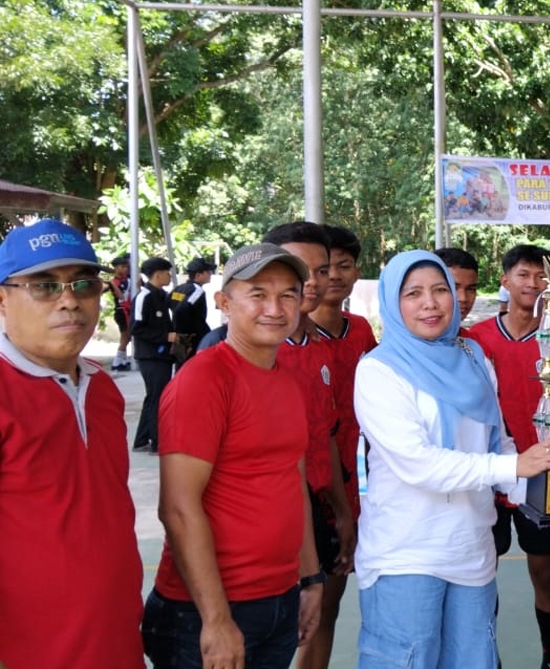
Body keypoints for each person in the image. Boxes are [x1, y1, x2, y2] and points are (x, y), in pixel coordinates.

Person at [353, 250, 550, 669]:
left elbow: (497, 444)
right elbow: (418, 464)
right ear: (392, 304)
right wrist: (514, 467)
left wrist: (546, 498)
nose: (430, 303)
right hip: (406, 554)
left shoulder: (473, 357)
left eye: (440, 290)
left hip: (471, 549)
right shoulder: (379, 370)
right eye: (413, 293)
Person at [142, 243, 324, 668]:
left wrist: (310, 577)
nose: (274, 308)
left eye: (287, 295)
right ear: (224, 303)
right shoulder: (204, 380)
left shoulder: (288, 380)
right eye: (258, 294)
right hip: (205, 610)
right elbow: (178, 508)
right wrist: (217, 619)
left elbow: (292, 482)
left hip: (278, 599)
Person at [0, 219, 144, 669]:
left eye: (83, 284)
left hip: (115, 641)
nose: (69, 300)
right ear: (2, 299)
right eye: (44, 286)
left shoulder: (103, 387)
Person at [470, 243, 550, 669]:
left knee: (544, 574)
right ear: (505, 280)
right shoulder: (476, 341)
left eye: (540, 277)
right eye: (523, 275)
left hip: (541, 476)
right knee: (481, 576)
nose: (532, 284)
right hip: (489, 474)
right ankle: (485, 657)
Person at [263, 221, 357, 659]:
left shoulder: (319, 348)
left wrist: (342, 512)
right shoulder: (248, 354)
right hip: (269, 525)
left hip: (321, 511)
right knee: (269, 634)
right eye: (300, 270)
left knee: (323, 615)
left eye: (322, 270)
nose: (315, 282)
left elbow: (328, 440)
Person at [304, 224, 379, 669]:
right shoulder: (289, 338)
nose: (333, 275)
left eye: (343, 266)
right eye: (323, 267)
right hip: (304, 488)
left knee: (328, 603)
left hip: (352, 484)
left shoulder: (361, 331)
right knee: (296, 610)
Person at [132, 255, 177, 452]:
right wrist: (164, 337)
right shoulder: (144, 297)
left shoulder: (162, 295)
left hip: (163, 355)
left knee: (154, 396)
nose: (169, 276)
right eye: (167, 273)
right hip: (150, 355)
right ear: (158, 275)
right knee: (157, 397)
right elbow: (136, 328)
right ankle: (157, 441)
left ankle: (142, 439)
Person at [169, 256, 218, 365]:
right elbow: (182, 309)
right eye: (208, 272)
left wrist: (176, 330)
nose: (210, 274)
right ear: (198, 275)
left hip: (180, 336)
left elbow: (170, 303)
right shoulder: (197, 291)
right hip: (192, 338)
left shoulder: (179, 288)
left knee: (181, 366)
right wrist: (185, 335)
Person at [435, 247, 481, 331]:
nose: (463, 298)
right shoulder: (407, 342)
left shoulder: (472, 341)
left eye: (470, 289)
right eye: (453, 288)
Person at [108, 252, 134, 370]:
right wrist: (112, 285)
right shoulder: (115, 282)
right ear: (116, 268)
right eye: (123, 267)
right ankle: (116, 362)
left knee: (127, 337)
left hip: (128, 310)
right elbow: (121, 297)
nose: (125, 269)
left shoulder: (128, 279)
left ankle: (123, 361)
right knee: (126, 337)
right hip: (121, 311)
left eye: (126, 267)